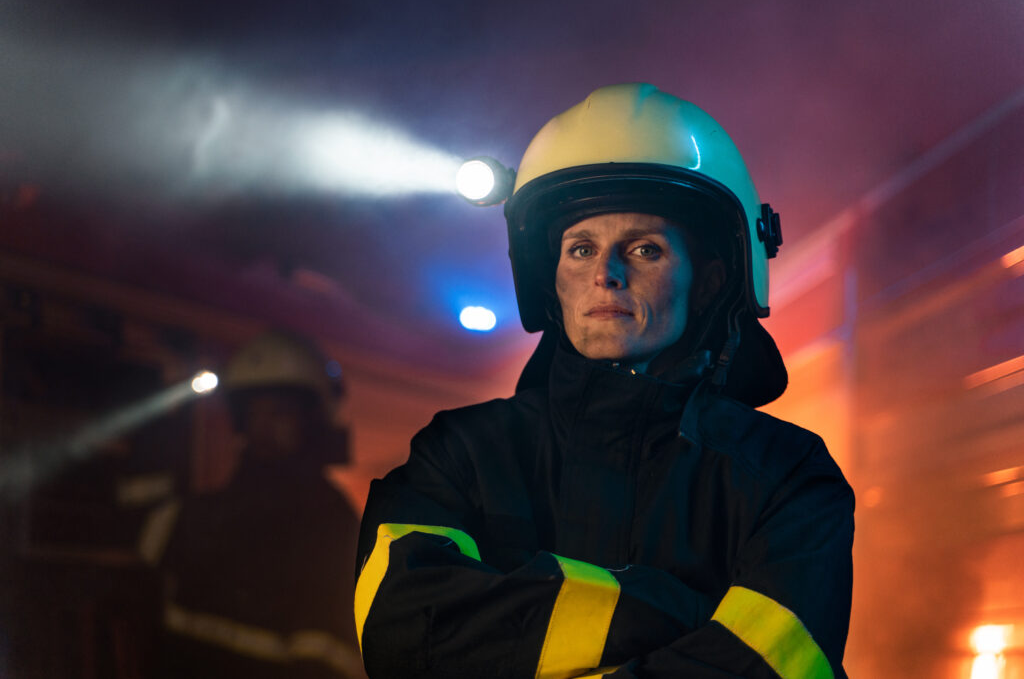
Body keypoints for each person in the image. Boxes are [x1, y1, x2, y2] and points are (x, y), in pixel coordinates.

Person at [355, 83, 854, 679]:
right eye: (581, 249)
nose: (606, 276)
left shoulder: (788, 473)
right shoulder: (458, 452)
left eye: (644, 249)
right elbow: (403, 629)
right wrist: (689, 618)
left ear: (714, 280)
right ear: (552, 281)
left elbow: (775, 668)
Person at [144, 331, 366, 679]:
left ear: (312, 418)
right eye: (254, 413)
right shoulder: (207, 511)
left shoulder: (330, 523)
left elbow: (327, 658)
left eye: (280, 412)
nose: (264, 426)